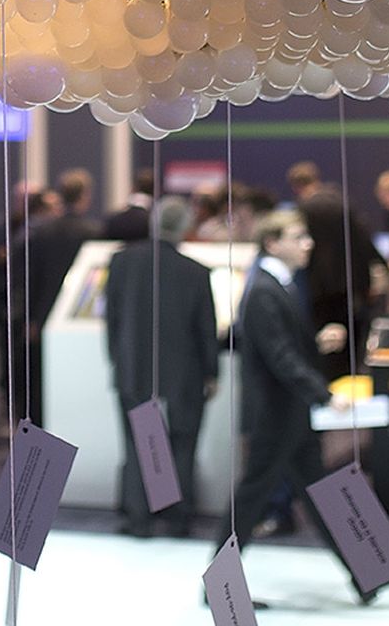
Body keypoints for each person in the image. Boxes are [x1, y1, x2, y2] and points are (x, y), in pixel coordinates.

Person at [225, 211, 375, 605]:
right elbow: (279, 357)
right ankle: (219, 581)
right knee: (252, 499)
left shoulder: (280, 286)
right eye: (298, 237)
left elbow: (287, 348)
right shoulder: (264, 290)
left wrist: (315, 342)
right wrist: (325, 394)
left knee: (317, 493)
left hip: (288, 414)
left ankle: (368, 574)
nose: (307, 243)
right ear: (272, 243)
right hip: (275, 415)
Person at [103, 197, 218, 537]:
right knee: (183, 441)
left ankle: (139, 518)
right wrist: (212, 372)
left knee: (139, 440)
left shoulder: (122, 262)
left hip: (133, 370)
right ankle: (178, 516)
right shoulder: (196, 272)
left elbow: (112, 320)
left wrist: (117, 360)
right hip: (185, 373)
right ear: (185, 227)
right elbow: (205, 329)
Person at [24, 172, 102, 424]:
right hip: (80, 320)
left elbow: (32, 278)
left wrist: (32, 318)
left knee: (42, 382)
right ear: (85, 196)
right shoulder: (95, 231)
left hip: (44, 315)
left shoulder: (42, 232)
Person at [300, 182, 381, 382]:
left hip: (319, 303)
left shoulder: (308, 264)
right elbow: (371, 254)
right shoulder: (352, 230)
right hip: (352, 300)